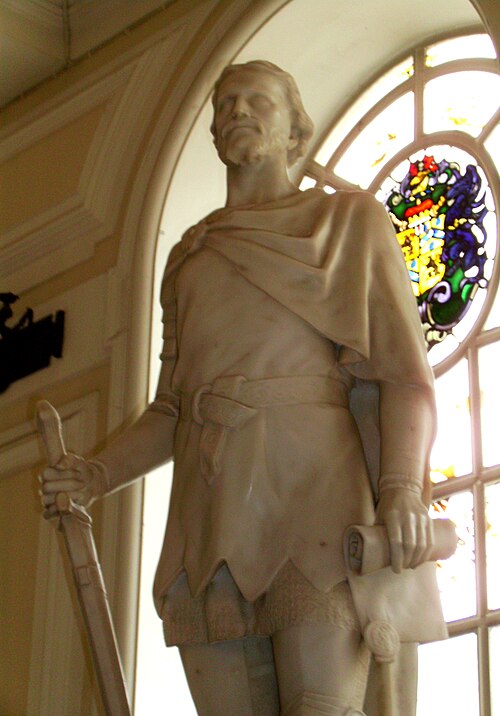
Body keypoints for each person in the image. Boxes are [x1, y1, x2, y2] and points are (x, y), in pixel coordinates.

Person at [41, 60, 439, 716]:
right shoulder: (191, 256)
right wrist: (96, 473)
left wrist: (400, 490)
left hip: (317, 499)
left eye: (258, 100)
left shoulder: (347, 222)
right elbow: (173, 407)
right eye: (225, 103)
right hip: (212, 511)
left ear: (294, 130)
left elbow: (401, 375)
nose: (237, 112)